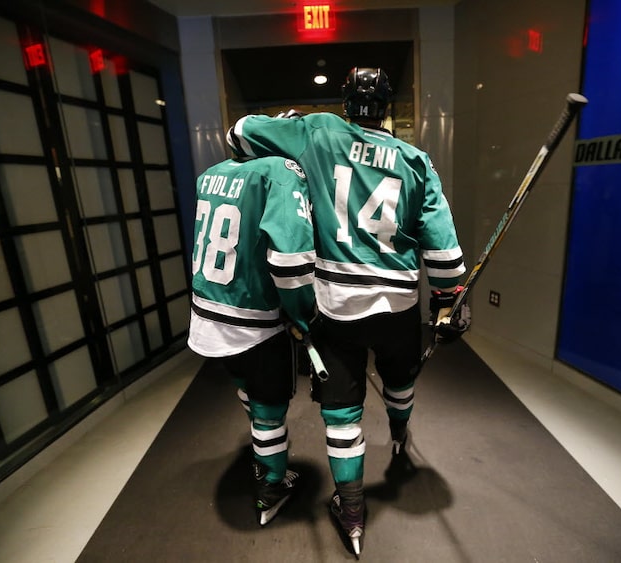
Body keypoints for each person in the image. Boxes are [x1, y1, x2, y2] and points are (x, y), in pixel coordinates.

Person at [227, 67, 469, 556]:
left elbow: (239, 134)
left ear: (346, 100)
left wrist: (286, 122)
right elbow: (444, 253)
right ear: (385, 106)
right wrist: (449, 301)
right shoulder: (416, 159)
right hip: (400, 303)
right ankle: (400, 436)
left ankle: (352, 507)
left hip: (335, 306)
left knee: (341, 411)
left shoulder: (318, 130)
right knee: (400, 378)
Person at [186, 153, 316, 527]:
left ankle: (264, 450)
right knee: (270, 407)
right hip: (254, 317)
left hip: (209, 311)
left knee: (244, 384)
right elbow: (290, 261)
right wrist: (302, 312)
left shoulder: (210, 173)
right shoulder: (279, 171)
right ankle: (272, 483)